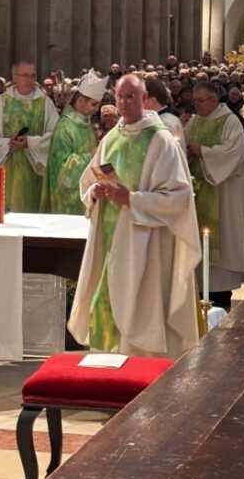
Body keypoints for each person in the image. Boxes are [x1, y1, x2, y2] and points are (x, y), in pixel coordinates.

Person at [67, 74, 200, 358]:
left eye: (131, 96)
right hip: (108, 239)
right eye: (120, 96)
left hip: (144, 243)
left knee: (140, 311)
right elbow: (88, 179)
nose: (125, 102)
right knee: (105, 304)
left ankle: (141, 371)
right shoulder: (111, 137)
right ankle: (107, 369)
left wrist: (132, 199)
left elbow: (179, 197)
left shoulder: (161, 140)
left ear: (145, 99)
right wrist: (94, 192)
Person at [184, 81, 244, 308]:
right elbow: (182, 147)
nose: (197, 105)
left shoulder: (230, 122)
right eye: (195, 101)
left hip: (221, 196)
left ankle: (220, 304)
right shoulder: (194, 121)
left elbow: (234, 154)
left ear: (214, 100)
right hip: (196, 196)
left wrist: (203, 151)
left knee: (219, 255)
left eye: (201, 101)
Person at [0, 61, 59, 211]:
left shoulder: (46, 103)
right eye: (25, 75)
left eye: (33, 75)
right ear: (14, 77)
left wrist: (30, 143)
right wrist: (8, 144)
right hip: (5, 172)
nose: (30, 80)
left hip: (35, 175)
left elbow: (56, 135)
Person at [41, 70, 107, 214]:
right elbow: (60, 168)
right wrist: (91, 156)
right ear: (81, 101)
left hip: (88, 191)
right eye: (94, 104)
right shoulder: (64, 127)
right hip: (68, 199)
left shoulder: (86, 123)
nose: (97, 109)